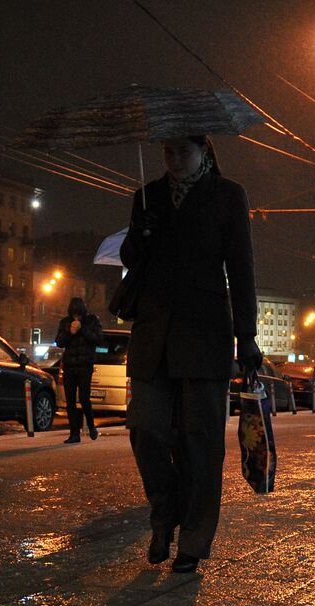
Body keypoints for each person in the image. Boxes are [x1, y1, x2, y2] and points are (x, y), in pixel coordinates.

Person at [119, 135, 259, 574]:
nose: (175, 160)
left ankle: (194, 540)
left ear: (205, 152)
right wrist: (140, 235)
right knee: (146, 428)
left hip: (205, 333)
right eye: (167, 152)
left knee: (201, 442)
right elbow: (131, 259)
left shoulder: (227, 195)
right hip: (153, 332)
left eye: (183, 152)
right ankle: (165, 512)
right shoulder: (147, 196)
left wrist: (247, 335)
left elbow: (241, 266)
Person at [53, 297, 103, 443]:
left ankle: (91, 426)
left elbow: (99, 339)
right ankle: (74, 434)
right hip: (69, 365)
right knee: (70, 401)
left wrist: (82, 330)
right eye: (74, 314)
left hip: (85, 365)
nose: (76, 317)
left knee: (84, 397)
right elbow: (59, 342)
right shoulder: (65, 322)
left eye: (78, 314)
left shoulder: (92, 320)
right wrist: (70, 331)